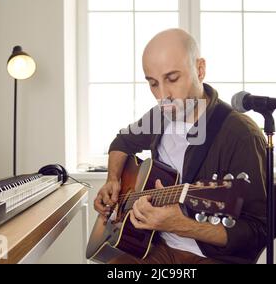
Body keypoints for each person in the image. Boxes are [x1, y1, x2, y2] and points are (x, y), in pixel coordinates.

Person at [94, 29, 267, 264]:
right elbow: (122, 142)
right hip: (157, 246)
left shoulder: (241, 135)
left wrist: (183, 226)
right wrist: (112, 179)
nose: (163, 95)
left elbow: (257, 233)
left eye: (172, 79)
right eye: (153, 83)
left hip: (212, 257)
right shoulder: (159, 116)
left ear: (200, 69)